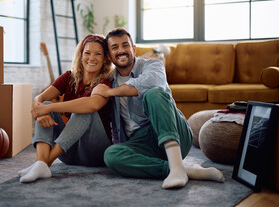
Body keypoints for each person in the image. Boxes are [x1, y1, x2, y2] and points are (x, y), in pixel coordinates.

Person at [91, 28, 224, 189]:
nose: (121, 51)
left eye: (125, 45)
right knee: (111, 155)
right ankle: (182, 170)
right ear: (109, 56)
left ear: (133, 49)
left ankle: (176, 166)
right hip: (142, 142)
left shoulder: (153, 65)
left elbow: (148, 84)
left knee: (153, 94)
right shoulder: (109, 80)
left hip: (174, 131)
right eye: (115, 48)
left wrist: (111, 92)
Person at [18, 34, 113, 183]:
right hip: (69, 153)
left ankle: (45, 163)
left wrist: (49, 109)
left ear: (105, 58)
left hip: (95, 153)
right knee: (46, 105)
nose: (91, 58)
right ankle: (40, 163)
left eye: (98, 54)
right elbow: (39, 99)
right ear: (81, 55)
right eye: (87, 53)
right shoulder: (69, 77)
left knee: (84, 110)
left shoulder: (105, 83)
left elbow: (93, 104)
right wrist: (40, 113)